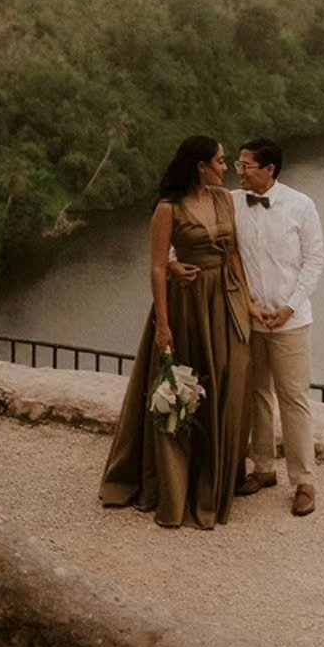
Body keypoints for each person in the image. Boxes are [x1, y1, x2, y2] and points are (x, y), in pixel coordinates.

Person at [99, 136, 253, 528]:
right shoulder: (168, 208)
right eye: (220, 161)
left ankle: (216, 477)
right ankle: (174, 485)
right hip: (186, 305)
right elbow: (155, 266)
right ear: (199, 166)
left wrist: (247, 304)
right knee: (182, 388)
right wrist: (164, 326)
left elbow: (234, 254)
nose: (226, 168)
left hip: (223, 300)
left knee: (227, 380)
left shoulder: (224, 199)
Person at [231, 137, 324, 517]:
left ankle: (303, 481)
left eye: (246, 165)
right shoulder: (232, 203)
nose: (239, 172)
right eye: (237, 164)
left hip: (292, 322)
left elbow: (315, 260)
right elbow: (201, 232)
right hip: (251, 319)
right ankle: (263, 468)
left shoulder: (301, 205)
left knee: (293, 398)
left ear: (269, 169)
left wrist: (289, 307)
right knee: (256, 394)